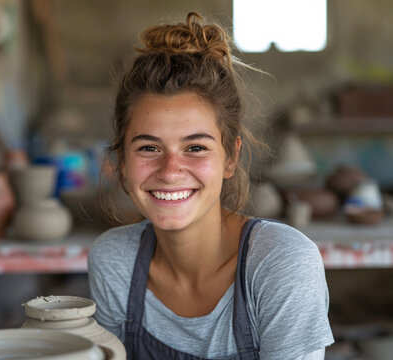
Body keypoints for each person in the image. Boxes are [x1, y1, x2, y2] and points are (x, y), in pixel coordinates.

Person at [88, 12, 334, 360]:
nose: (171, 171)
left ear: (230, 158)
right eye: (149, 148)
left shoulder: (281, 264)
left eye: (195, 148)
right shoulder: (115, 263)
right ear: (122, 163)